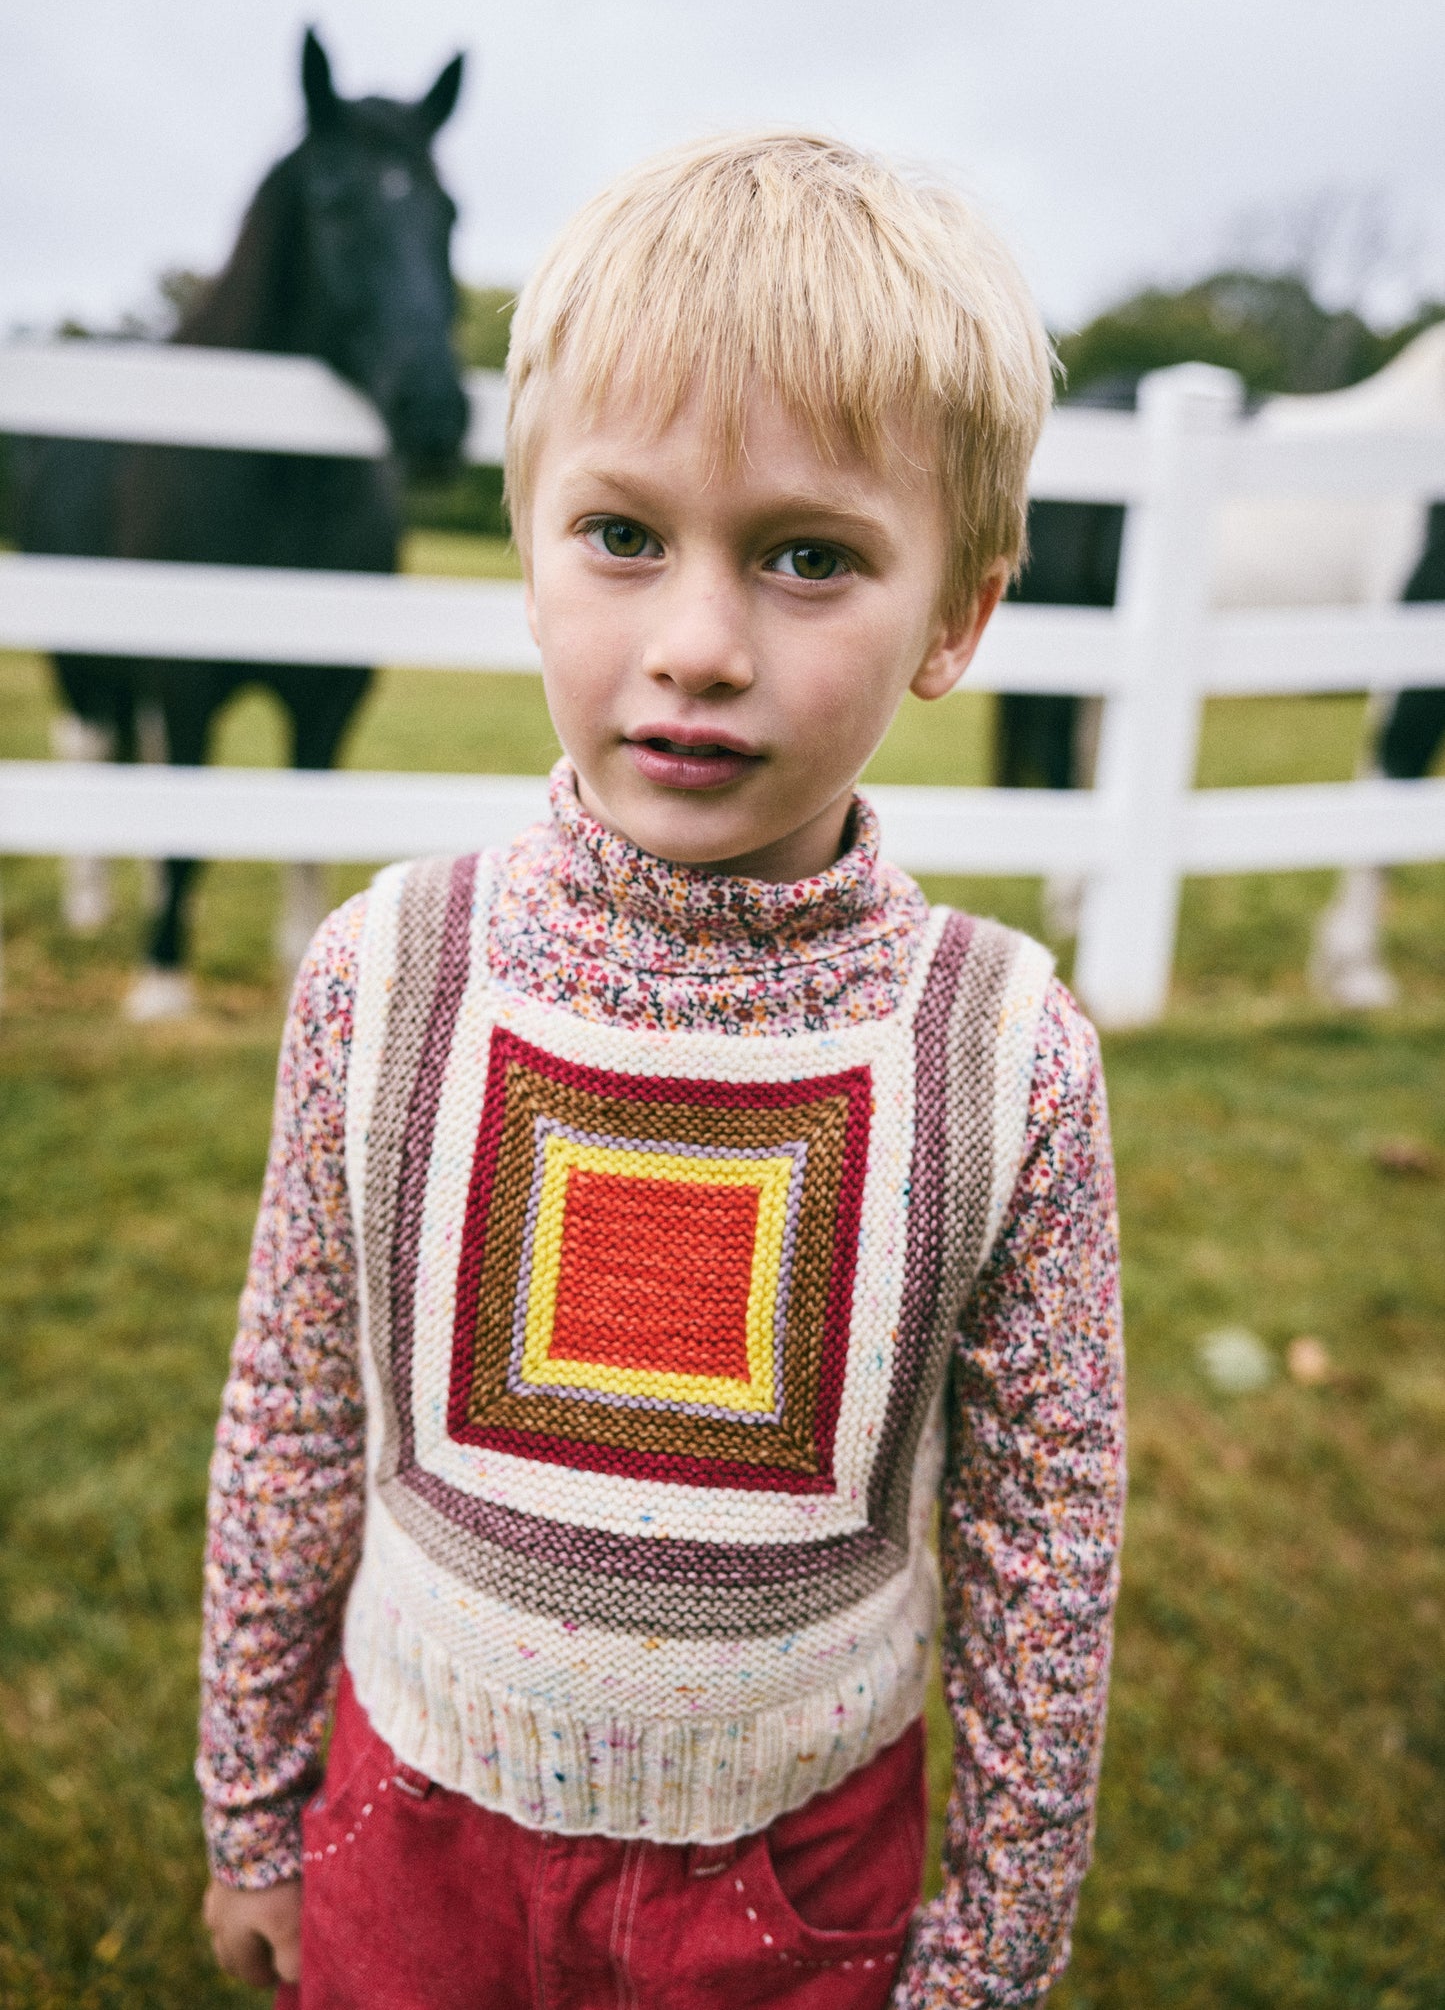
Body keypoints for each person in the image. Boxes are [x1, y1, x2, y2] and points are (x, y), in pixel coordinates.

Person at [198, 131, 1125, 2009]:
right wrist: (250, 1797)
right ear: (528, 544)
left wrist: (989, 1954)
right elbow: (292, 1421)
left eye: (807, 557)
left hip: (791, 1878)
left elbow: (1041, 1555)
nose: (696, 646)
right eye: (624, 536)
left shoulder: (1000, 1053)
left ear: (957, 610)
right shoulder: (388, 979)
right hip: (408, 1829)